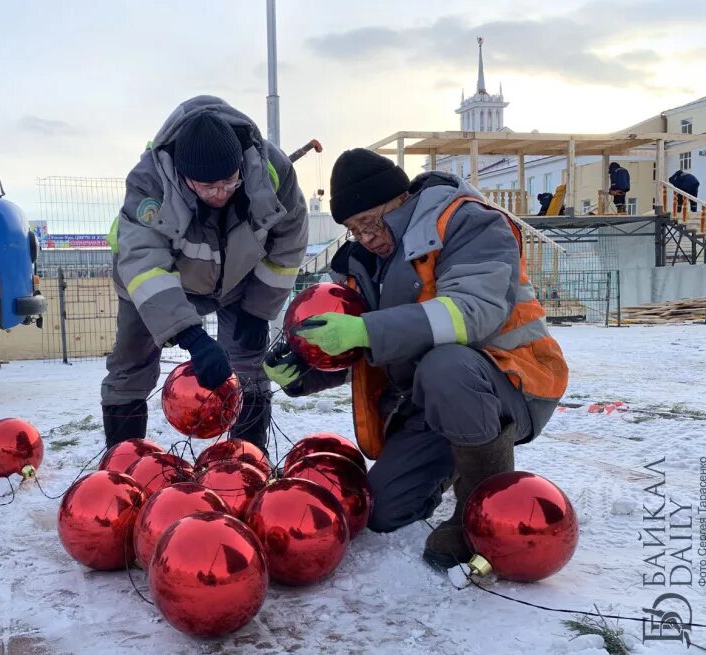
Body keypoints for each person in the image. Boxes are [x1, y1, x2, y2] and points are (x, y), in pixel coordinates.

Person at [263, 150, 568, 568]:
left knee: (446, 366)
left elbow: (471, 313)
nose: (365, 238)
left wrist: (367, 329)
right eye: (354, 230)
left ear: (401, 199)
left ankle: (479, 511)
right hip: (428, 405)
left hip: (510, 381)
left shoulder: (468, 223)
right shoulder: (359, 265)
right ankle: (453, 461)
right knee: (385, 510)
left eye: (369, 223)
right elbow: (356, 349)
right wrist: (304, 370)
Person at [100, 96, 307, 450]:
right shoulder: (148, 183)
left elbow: (289, 243)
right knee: (130, 365)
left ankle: (248, 461)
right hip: (153, 284)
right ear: (183, 176)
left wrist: (259, 311)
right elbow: (145, 264)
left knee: (248, 362)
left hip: (239, 280)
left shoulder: (273, 171)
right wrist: (190, 337)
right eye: (206, 186)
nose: (220, 193)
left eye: (228, 181)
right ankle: (124, 465)